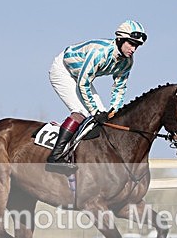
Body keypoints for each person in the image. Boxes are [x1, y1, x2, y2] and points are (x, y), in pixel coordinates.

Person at [46, 20, 147, 173]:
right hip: (64, 71)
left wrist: (115, 111)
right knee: (82, 112)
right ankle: (56, 156)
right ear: (120, 39)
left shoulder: (127, 62)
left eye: (137, 46)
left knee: (105, 116)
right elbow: (83, 84)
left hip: (81, 77)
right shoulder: (100, 53)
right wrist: (94, 111)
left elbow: (119, 88)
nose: (133, 49)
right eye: (131, 44)